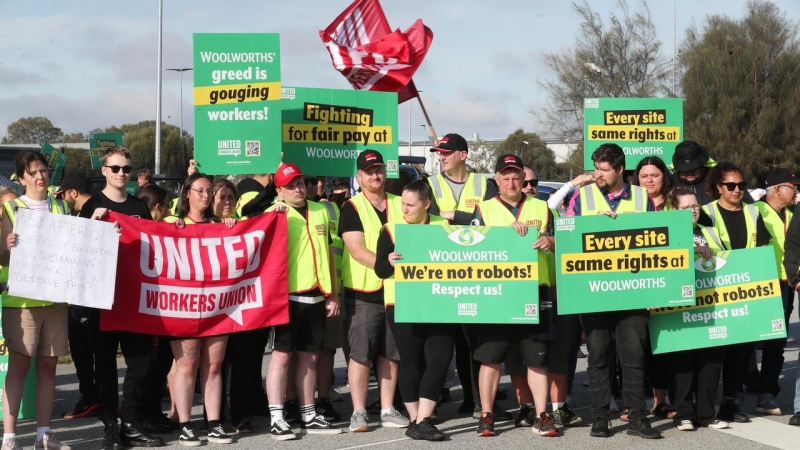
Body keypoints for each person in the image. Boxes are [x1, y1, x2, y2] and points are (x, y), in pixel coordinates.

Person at [566, 143, 660, 439]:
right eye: (596, 168)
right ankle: (600, 419)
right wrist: (593, 224)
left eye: (604, 169)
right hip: (593, 292)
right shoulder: (582, 197)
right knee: (598, 357)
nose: (598, 174)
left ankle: (637, 420)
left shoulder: (643, 198)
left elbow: (657, 238)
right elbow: (567, 233)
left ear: (620, 169)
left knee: (634, 358)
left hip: (633, 291)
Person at [81, 147, 164, 449]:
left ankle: (131, 423)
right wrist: (93, 225)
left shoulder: (138, 206)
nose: (121, 174)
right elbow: (78, 252)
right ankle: (110, 427)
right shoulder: (92, 205)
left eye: (126, 169)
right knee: (104, 367)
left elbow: (153, 245)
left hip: (133, 300)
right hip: (101, 301)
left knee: (141, 364)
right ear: (103, 170)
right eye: (115, 168)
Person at [470, 155, 558, 438]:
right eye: (505, 177)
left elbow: (565, 241)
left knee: (537, 359)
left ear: (524, 179)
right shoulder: (483, 209)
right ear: (496, 179)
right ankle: (486, 414)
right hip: (498, 292)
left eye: (516, 177)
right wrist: (501, 236)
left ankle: (543, 415)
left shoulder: (543, 207)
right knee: (491, 358)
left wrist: (551, 241)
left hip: (536, 290)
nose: (511, 182)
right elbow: (470, 248)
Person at [426, 133, 502, 419]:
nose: (441, 156)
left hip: (478, 273)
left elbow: (491, 221)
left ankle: (476, 401)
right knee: (440, 343)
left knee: (474, 343)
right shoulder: (430, 184)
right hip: (442, 271)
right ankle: (431, 405)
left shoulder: (485, 184)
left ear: (463, 155)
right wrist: (465, 217)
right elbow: (426, 218)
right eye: (439, 152)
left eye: (446, 152)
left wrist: (454, 215)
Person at [263, 163, 341, 440]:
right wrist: (274, 215)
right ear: (279, 191)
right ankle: (276, 415)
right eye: (291, 185)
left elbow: (328, 253)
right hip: (287, 297)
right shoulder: (273, 213)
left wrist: (332, 293)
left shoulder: (320, 209)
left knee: (311, 356)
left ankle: (308, 411)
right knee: (282, 356)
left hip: (317, 294)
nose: (298, 188)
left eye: (300, 183)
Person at [0, 150, 72, 450]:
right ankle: (10, 436)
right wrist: (7, 245)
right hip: (21, 302)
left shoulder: (61, 205)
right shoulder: (10, 208)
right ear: (21, 178)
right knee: (18, 367)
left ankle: (44, 435)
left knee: (48, 367)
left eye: (43, 171)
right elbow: (2, 256)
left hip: (55, 301)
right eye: (34, 172)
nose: (41, 176)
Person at [162, 173, 237, 447]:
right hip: (184, 308)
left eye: (209, 192)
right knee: (187, 366)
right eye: (200, 191)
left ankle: (215, 423)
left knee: (214, 366)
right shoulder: (171, 223)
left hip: (217, 306)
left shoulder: (222, 225)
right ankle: (185, 425)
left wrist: (232, 226)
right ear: (187, 194)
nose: (205, 196)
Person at [374, 180, 452, 441]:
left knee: (440, 358)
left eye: (410, 205)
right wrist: (389, 261)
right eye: (402, 204)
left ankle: (423, 420)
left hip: (439, 301)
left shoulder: (443, 226)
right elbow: (380, 271)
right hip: (401, 303)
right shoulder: (391, 230)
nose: (404, 209)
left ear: (426, 204)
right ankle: (415, 418)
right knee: (412, 360)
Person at [339, 150, 408, 433]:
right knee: (361, 354)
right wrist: (385, 264)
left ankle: (388, 408)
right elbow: (355, 250)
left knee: (391, 353)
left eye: (379, 170)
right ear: (359, 177)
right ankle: (358, 411)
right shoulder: (351, 207)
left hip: (397, 291)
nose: (376, 175)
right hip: (364, 291)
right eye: (369, 172)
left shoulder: (400, 202)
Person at [702, 162, 772, 424]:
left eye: (741, 185)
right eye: (731, 185)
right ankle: (703, 406)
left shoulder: (753, 213)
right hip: (712, 288)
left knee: (739, 351)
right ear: (718, 187)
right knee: (713, 353)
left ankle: (730, 403)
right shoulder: (705, 213)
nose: (737, 190)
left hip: (744, 290)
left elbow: (763, 247)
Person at [667, 188, 729, 431]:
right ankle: (683, 413)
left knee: (711, 361)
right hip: (679, 306)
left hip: (711, 304)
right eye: (686, 207)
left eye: (695, 206)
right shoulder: (668, 233)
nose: (692, 210)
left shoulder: (710, 232)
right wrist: (692, 251)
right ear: (674, 210)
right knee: (682, 361)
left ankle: (706, 414)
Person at [52, 173, 101, 421]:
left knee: (87, 351)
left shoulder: (91, 210)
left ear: (73, 192)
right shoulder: (89, 211)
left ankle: (94, 398)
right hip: (82, 294)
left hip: (88, 296)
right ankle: (94, 397)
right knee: (85, 351)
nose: (64, 200)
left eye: (64, 195)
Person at [753, 168, 800, 415]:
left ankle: (767, 393)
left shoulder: (793, 213)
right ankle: (742, 387)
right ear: (777, 189)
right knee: (746, 341)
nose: (796, 191)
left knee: (776, 339)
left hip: (786, 283)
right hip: (756, 284)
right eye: (793, 186)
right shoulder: (754, 211)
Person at [670, 140, 753, 205]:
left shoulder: (718, 177)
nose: (690, 172)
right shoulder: (669, 182)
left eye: (694, 168)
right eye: (685, 170)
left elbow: (747, 202)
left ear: (702, 164)